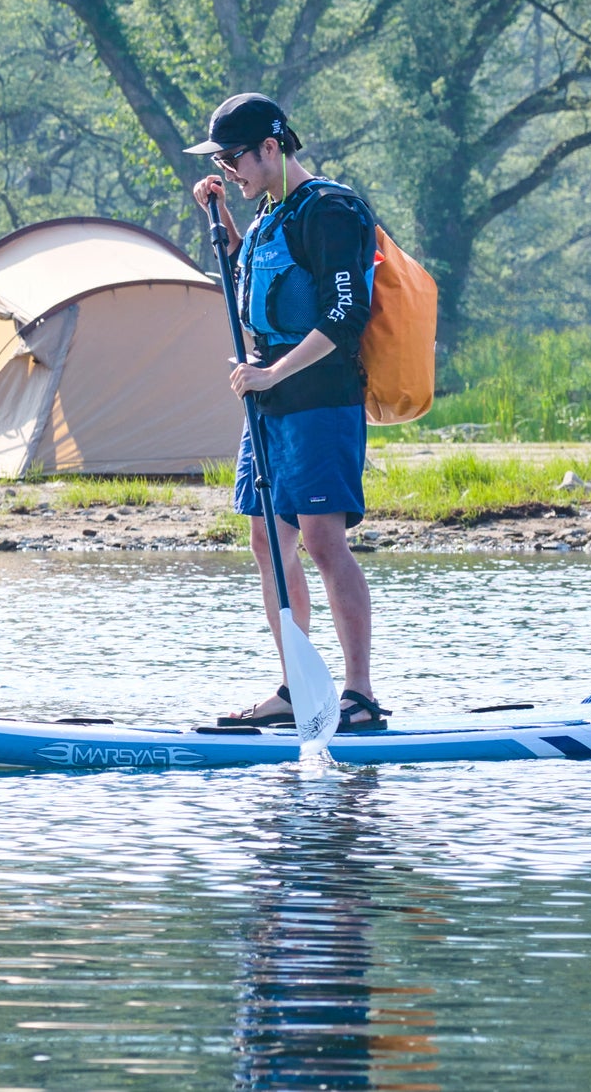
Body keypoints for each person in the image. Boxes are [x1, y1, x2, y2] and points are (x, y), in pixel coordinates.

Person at [186, 93, 387, 731]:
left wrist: (272, 371)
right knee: (270, 544)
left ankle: (358, 694)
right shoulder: (273, 212)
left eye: (234, 157)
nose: (229, 168)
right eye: (221, 159)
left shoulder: (332, 210)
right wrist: (221, 216)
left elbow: (343, 314)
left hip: (321, 400)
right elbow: (268, 280)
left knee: (325, 543)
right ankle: (298, 688)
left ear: (272, 148)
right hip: (269, 402)